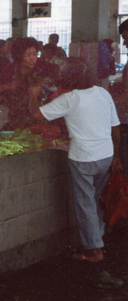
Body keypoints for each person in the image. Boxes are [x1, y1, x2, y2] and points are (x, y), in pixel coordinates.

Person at [30, 58, 121, 263]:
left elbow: (37, 115)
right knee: (94, 200)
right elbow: (115, 127)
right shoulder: (102, 92)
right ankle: (97, 238)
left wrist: (33, 96)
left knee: (85, 203)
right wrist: (116, 155)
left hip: (83, 158)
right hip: (105, 155)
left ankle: (94, 250)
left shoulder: (70, 99)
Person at [0, 37, 42, 130]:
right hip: (13, 118)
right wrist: (7, 86)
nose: (32, 59)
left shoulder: (41, 69)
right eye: (28, 55)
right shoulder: (11, 70)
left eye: (34, 54)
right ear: (19, 55)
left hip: (37, 118)